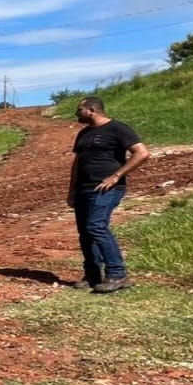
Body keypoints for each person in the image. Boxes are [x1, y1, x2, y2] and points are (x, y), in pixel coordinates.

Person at [67, 96, 149, 293]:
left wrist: (116, 176)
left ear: (92, 110)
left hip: (107, 188)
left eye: (80, 110)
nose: (77, 114)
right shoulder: (83, 134)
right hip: (84, 188)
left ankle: (117, 274)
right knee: (85, 233)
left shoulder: (118, 128)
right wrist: (71, 190)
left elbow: (142, 153)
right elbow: (77, 163)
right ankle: (93, 275)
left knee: (96, 226)